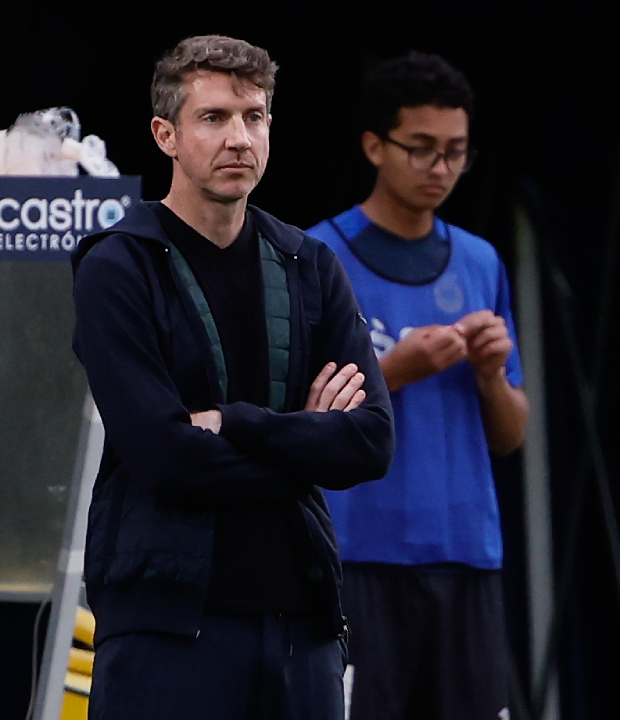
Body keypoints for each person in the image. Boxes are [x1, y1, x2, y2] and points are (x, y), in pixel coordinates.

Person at [71, 35, 395, 720]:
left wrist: (238, 423)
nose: (239, 138)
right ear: (166, 134)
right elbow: (164, 459)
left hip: (302, 622)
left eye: (255, 117)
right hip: (167, 625)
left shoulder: (310, 265)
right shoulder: (120, 265)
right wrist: (304, 441)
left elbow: (369, 443)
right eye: (214, 118)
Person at [308, 52, 529, 720]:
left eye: (456, 153)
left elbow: (512, 434)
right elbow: (297, 419)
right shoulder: (320, 256)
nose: (440, 169)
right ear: (375, 145)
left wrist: (490, 374)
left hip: (464, 552)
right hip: (359, 552)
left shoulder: (479, 260)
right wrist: (396, 369)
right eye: (423, 149)